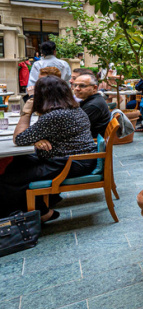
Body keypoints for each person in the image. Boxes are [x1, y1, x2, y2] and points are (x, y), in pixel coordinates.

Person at [0, 76, 98, 222]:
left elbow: (19, 138)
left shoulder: (55, 115)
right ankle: (38, 205)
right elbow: (35, 134)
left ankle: (39, 213)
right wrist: (37, 139)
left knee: (8, 179)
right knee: (18, 162)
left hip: (71, 162)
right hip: (75, 158)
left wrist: (27, 111)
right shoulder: (71, 109)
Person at [73, 73, 112, 139]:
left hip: (90, 142)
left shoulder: (93, 106)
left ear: (94, 88)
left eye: (82, 86)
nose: (77, 88)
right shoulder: (93, 99)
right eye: (75, 85)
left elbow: (75, 129)